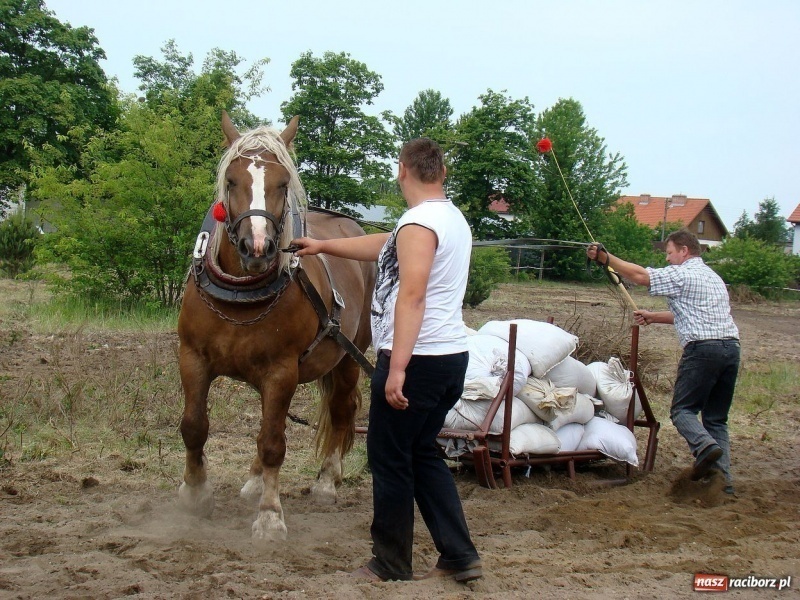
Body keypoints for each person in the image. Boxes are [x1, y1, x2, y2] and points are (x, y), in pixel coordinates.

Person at [291, 138, 482, 582]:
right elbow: (389, 244)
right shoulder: (445, 218)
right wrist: (324, 247)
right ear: (442, 172)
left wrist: (396, 369)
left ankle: (391, 562)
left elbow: (411, 296)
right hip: (449, 357)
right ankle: (459, 555)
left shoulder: (419, 223)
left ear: (402, 170)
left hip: (417, 360)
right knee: (421, 454)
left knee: (389, 458)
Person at [587, 229, 740, 495]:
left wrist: (605, 258)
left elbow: (640, 276)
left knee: (682, 411)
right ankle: (722, 483)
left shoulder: (683, 274)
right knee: (716, 419)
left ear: (684, 250)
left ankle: (704, 447)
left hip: (702, 350)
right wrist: (653, 316)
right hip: (731, 349)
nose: (668, 259)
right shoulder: (713, 277)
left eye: (670, 253)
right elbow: (689, 312)